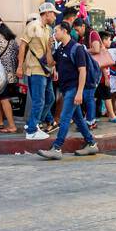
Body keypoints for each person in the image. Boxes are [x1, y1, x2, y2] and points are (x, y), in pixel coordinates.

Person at [35, 22, 98, 161]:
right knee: (78, 119)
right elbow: (51, 63)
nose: (54, 34)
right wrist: (48, 48)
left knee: (64, 117)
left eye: (56, 31)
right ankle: (91, 144)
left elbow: (83, 71)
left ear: (64, 31)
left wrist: (80, 92)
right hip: (66, 88)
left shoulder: (77, 48)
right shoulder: (62, 48)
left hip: (74, 88)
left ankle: (56, 147)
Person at [21, 2, 58, 139]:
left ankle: (33, 123)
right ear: (47, 13)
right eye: (53, 13)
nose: (55, 16)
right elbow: (22, 46)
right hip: (35, 69)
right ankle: (31, 130)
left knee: (50, 98)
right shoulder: (33, 26)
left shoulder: (47, 29)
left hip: (45, 69)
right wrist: (20, 66)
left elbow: (48, 51)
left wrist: (53, 68)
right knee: (39, 100)